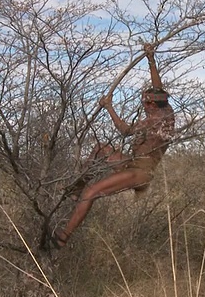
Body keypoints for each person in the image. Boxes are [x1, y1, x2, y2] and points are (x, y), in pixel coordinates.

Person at [50, 43, 175, 249]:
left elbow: (125, 131)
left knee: (92, 192)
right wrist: (150, 58)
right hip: (131, 163)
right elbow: (158, 88)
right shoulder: (167, 111)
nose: (143, 105)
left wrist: (109, 107)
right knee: (101, 148)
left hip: (140, 173)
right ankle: (75, 189)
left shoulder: (152, 120)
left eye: (145, 102)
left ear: (151, 105)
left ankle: (64, 237)